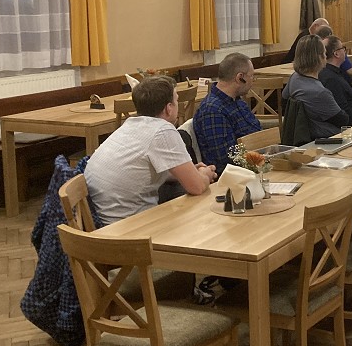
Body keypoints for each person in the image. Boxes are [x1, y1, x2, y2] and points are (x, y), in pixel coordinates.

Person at [85, 75, 216, 227]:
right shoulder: (163, 130)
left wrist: (188, 171)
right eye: (176, 100)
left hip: (103, 221)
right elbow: (197, 187)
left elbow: (138, 171)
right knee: (202, 212)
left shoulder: (130, 125)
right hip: (128, 227)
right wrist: (205, 174)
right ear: (168, 108)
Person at [193, 53, 262, 175]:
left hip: (255, 166)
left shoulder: (238, 101)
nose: (253, 81)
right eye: (252, 76)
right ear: (240, 77)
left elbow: (257, 132)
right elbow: (226, 159)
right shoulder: (213, 110)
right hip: (235, 176)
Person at [284, 35, 349, 139]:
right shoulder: (319, 92)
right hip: (324, 138)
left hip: (299, 134)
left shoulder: (294, 78)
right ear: (319, 57)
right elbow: (343, 120)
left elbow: (284, 100)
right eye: (324, 53)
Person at [319, 35, 352, 123]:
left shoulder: (336, 72)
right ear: (336, 54)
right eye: (343, 48)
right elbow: (343, 109)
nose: (345, 52)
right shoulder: (331, 79)